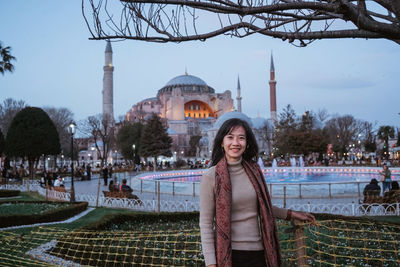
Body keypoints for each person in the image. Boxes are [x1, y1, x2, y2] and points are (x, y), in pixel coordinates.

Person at [200, 118, 316, 267]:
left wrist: (291, 214)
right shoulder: (211, 176)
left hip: (259, 253)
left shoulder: (254, 171)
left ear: (247, 143)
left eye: (241, 138)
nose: (235, 143)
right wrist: (211, 264)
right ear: (222, 142)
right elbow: (206, 223)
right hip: (229, 255)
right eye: (230, 137)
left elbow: (262, 206)